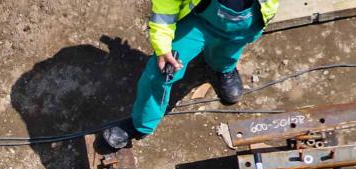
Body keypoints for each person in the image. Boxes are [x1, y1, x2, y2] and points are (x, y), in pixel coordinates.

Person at [102, 0, 280, 151]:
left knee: (226, 54)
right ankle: (141, 125)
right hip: (198, 21)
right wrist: (162, 45)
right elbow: (165, 7)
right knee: (159, 73)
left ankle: (222, 68)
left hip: (246, 25)